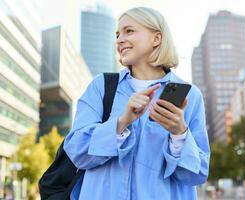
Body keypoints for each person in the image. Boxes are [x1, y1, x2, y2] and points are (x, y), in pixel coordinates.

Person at [64, 7, 210, 200]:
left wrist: (179, 134)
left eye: (129, 31)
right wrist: (121, 122)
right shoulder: (101, 87)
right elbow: (76, 151)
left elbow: (196, 175)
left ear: (156, 38)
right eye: (117, 34)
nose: (119, 40)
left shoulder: (190, 96)